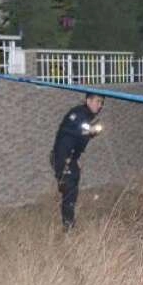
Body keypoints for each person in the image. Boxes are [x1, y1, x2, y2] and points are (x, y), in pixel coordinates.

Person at [50, 93, 105, 231]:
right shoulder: (78, 113)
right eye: (97, 101)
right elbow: (77, 127)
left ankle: (69, 222)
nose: (99, 105)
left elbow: (78, 140)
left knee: (72, 190)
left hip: (71, 158)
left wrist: (77, 158)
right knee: (69, 190)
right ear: (88, 100)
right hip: (62, 157)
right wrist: (91, 129)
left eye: (101, 103)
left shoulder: (87, 117)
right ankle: (68, 227)